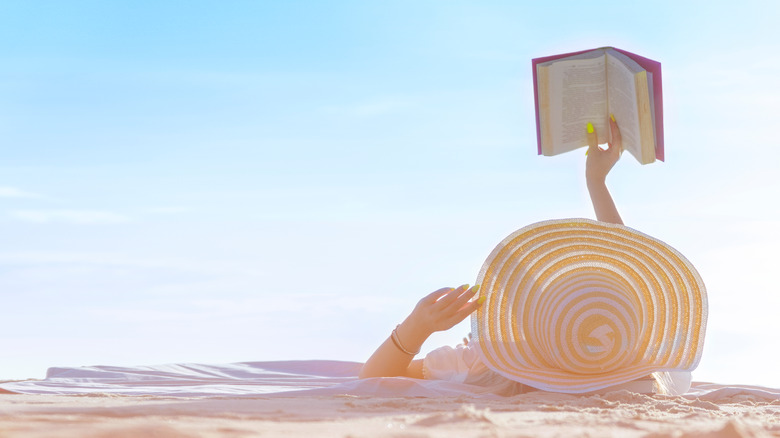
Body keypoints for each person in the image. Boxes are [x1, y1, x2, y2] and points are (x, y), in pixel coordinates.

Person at [359, 118, 692, 395]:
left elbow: (372, 380)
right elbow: (622, 265)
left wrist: (415, 328)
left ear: (538, 310)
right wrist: (597, 181)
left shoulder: (492, 363)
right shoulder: (649, 370)